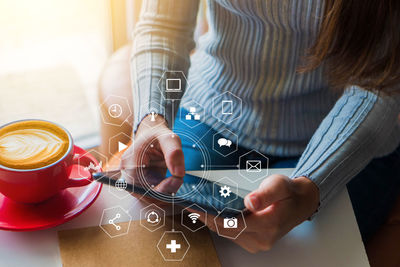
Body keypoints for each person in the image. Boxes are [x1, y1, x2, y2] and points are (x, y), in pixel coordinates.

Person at [121, 0, 400, 253]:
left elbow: (381, 82)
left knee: (301, 253)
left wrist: (311, 186)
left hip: (347, 134)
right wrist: (151, 118)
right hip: (213, 111)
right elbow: (163, 26)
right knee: (162, 227)